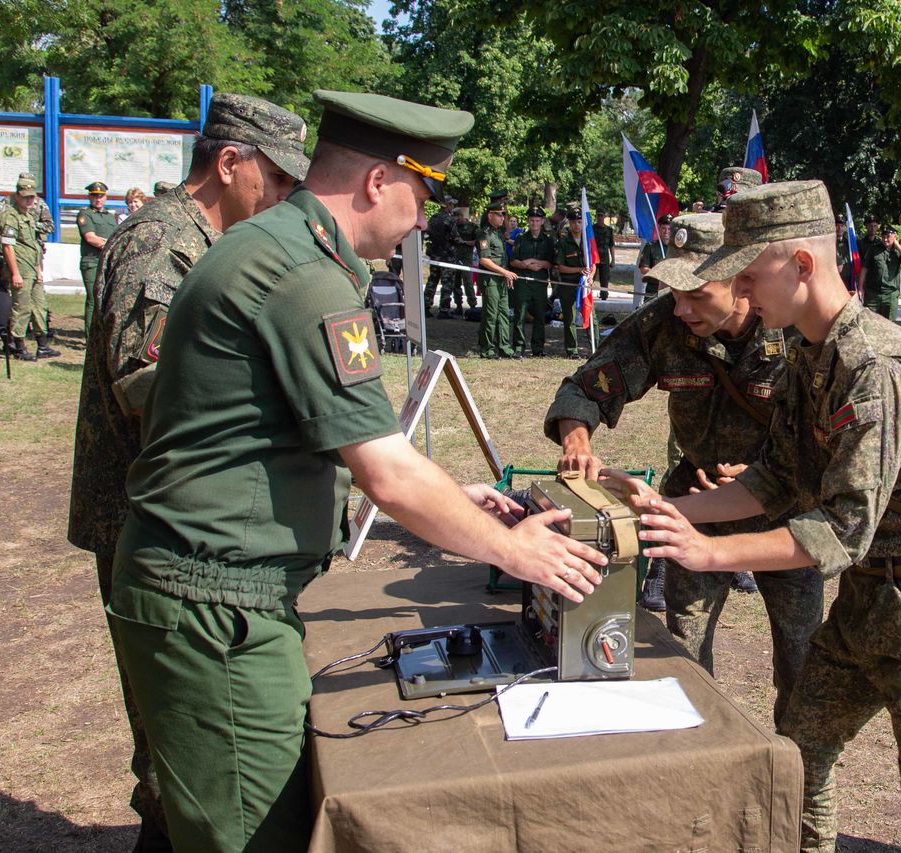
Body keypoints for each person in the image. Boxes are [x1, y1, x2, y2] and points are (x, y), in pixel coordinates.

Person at [106, 91, 608, 853]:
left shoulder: (278, 247)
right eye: (425, 193)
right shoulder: (306, 277)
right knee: (256, 834)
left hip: (213, 590)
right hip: (213, 606)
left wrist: (457, 497)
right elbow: (388, 474)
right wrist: (518, 552)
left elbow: (321, 438)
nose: (425, 219)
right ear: (379, 182)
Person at [610, 180, 901, 853]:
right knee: (798, 756)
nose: (744, 294)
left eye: (750, 275)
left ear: (803, 265)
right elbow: (778, 478)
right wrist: (670, 512)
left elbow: (842, 529)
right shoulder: (811, 352)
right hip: (872, 599)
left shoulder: (874, 366)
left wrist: (708, 553)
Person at [68, 93, 309, 853]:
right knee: (178, 752)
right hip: (150, 522)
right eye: (272, 178)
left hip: (181, 521)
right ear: (228, 162)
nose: (280, 198)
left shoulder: (207, 242)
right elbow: (143, 381)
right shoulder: (160, 241)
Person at [546, 212, 822, 725]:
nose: (681, 306)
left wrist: (761, 472)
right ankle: (703, 749)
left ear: (741, 280)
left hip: (786, 519)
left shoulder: (797, 331)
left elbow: (825, 439)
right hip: (694, 510)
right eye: (674, 291)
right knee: (685, 651)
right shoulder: (664, 325)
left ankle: (793, 769)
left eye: (697, 292)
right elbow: (587, 385)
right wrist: (577, 436)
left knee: (800, 655)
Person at [0, 179, 59, 360]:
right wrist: (15, 272)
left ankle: (42, 345)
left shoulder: (29, 216)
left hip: (32, 268)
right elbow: (8, 247)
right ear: (17, 196)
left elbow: (34, 244)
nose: (29, 201)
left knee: (39, 306)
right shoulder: (11, 216)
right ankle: (18, 346)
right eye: (25, 197)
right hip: (21, 269)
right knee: (22, 307)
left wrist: (39, 270)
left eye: (31, 197)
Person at [509, 206, 554, 357]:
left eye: (537, 220)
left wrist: (534, 261)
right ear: (528, 221)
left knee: (540, 316)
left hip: (540, 283)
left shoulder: (548, 241)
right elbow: (513, 261)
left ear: (542, 221)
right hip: (523, 283)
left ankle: (538, 349)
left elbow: (550, 264)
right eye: (532, 220)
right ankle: (518, 348)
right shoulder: (521, 239)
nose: (534, 223)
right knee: (520, 315)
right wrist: (525, 264)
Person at [77, 180, 120, 335]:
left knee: (107, 300)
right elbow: (90, 238)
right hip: (92, 262)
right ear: (90, 197)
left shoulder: (109, 216)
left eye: (101, 196)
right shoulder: (85, 214)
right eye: (95, 196)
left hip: (108, 263)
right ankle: (90, 336)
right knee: (93, 300)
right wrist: (112, 244)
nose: (98, 199)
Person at [475, 197, 515, 358]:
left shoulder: (498, 233)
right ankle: (487, 348)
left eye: (503, 215)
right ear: (490, 215)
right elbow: (484, 260)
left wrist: (505, 273)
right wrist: (504, 272)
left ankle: (504, 346)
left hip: (501, 279)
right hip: (490, 280)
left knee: (504, 313)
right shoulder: (484, 234)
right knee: (491, 314)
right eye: (499, 215)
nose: (502, 218)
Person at [553, 203, 593, 358]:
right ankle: (572, 350)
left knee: (590, 316)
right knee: (569, 317)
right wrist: (578, 270)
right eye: (574, 222)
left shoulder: (588, 242)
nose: (577, 225)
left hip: (585, 285)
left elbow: (594, 263)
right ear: (569, 223)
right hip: (569, 284)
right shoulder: (563, 242)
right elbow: (560, 266)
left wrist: (590, 276)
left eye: (580, 221)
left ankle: (594, 348)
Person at [858, 224, 901, 319]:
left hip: (890, 295)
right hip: (873, 295)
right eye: (883, 236)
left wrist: (897, 245)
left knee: (890, 325)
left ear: (895, 236)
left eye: (888, 236)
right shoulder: (873, 249)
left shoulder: (898, 251)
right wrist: (860, 287)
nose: (885, 239)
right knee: (870, 323)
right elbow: (864, 268)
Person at [421, 196, 457, 317]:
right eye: (451, 204)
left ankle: (426, 306)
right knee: (447, 282)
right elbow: (454, 237)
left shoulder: (433, 218)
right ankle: (444, 310)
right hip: (447, 256)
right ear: (446, 205)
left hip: (435, 254)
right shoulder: (449, 220)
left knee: (432, 280)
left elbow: (428, 233)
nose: (453, 207)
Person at [636, 213, 671, 300]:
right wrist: (660, 273)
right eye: (663, 228)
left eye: (669, 229)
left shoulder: (677, 248)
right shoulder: (650, 246)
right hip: (653, 291)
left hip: (672, 291)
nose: (666, 231)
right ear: (659, 228)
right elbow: (643, 269)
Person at [593, 208, 614, 300]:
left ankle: (604, 296)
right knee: (591, 278)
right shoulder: (591, 229)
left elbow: (611, 245)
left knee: (604, 279)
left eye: (601, 216)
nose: (600, 217)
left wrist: (613, 259)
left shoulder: (609, 230)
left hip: (604, 258)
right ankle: (587, 295)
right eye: (598, 215)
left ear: (604, 217)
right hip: (593, 257)